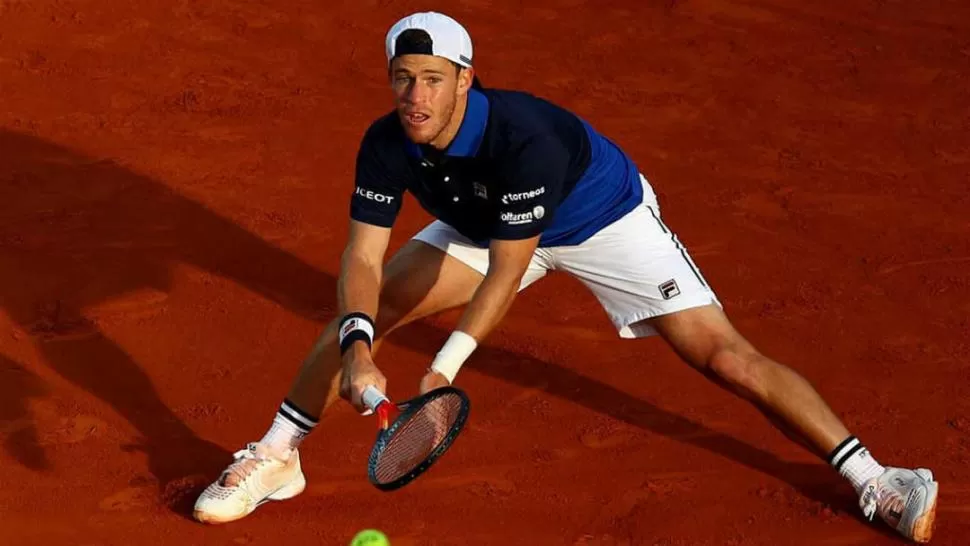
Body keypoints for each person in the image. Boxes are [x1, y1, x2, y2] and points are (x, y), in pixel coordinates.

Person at [192, 11, 939, 543]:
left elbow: (510, 272)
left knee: (721, 354)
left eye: (431, 79)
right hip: (489, 222)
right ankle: (276, 458)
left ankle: (877, 477)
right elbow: (361, 256)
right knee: (373, 304)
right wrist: (359, 343)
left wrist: (443, 371)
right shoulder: (389, 142)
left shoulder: (528, 139)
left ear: (465, 80)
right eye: (401, 80)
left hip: (597, 217)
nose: (415, 97)